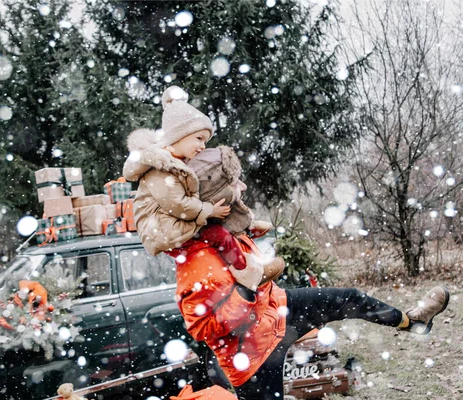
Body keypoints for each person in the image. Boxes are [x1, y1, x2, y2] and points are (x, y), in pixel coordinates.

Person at [169, 146, 450, 400]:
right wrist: (246, 291)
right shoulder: (197, 258)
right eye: (235, 183)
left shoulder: (226, 230)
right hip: (252, 357)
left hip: (276, 311)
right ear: (218, 195)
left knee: (349, 298)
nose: (242, 186)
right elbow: (202, 328)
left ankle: (412, 322)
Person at [123, 86, 282, 281]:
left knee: (217, 213)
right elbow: (178, 204)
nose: (202, 146)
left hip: (174, 220)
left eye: (205, 141)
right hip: (163, 229)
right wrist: (208, 211)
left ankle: (244, 225)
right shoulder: (160, 167)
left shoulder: (180, 161)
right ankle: (247, 273)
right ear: (177, 136)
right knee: (218, 234)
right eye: (199, 139)